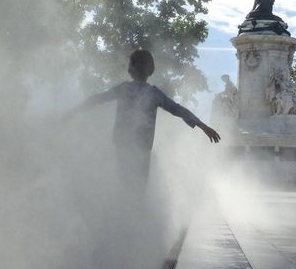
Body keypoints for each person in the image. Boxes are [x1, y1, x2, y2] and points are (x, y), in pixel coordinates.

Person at [64, 50, 220, 183]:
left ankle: (129, 215)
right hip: (138, 148)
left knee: (126, 186)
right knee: (135, 189)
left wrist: (71, 113)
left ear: (130, 68)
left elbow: (96, 99)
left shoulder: (129, 90)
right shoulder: (152, 93)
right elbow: (178, 110)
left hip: (128, 147)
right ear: (150, 70)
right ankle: (133, 215)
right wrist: (202, 126)